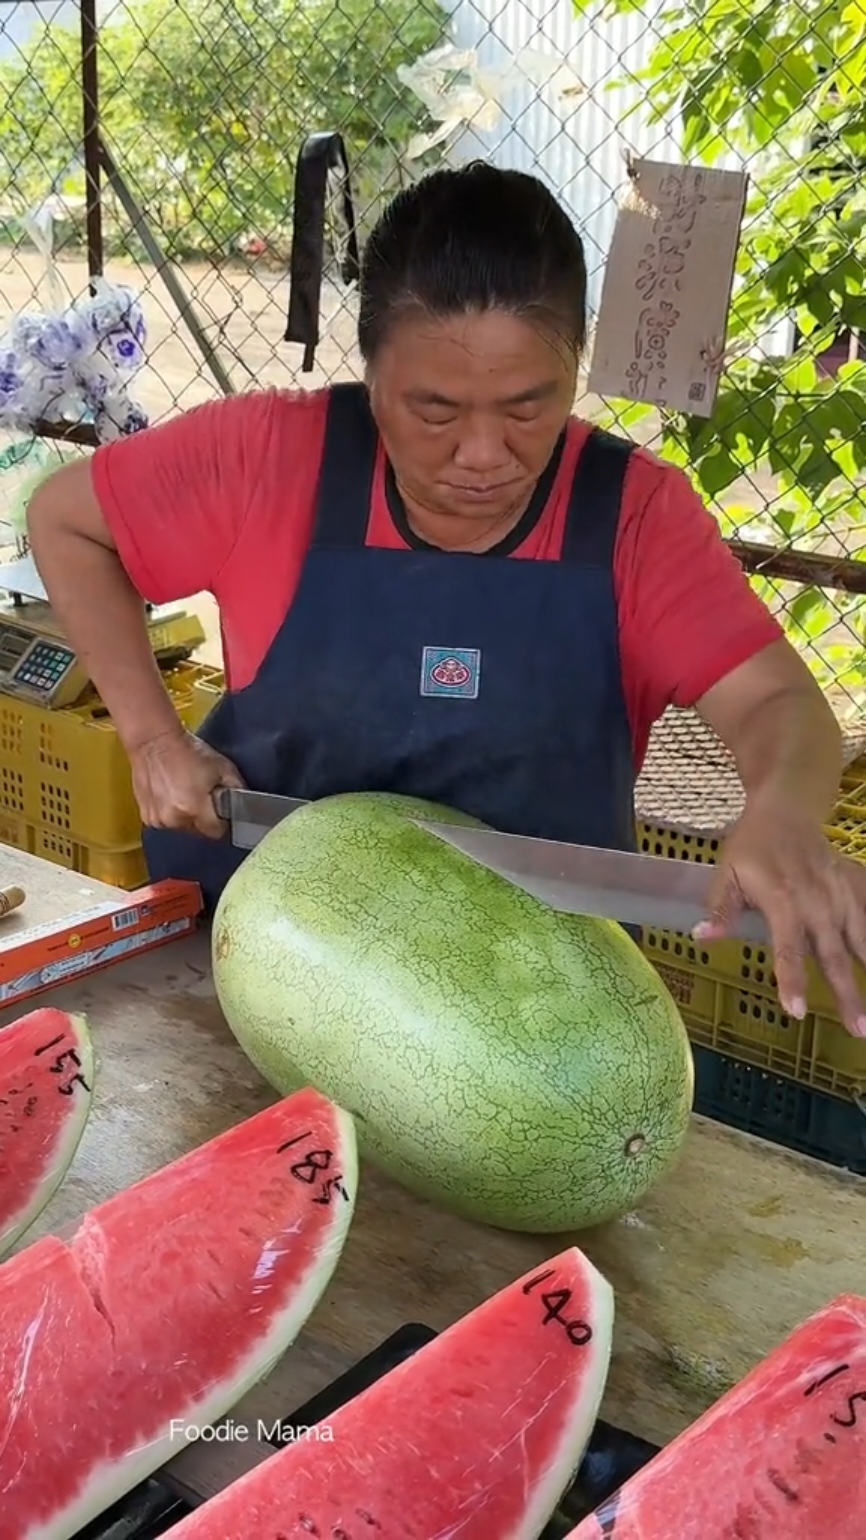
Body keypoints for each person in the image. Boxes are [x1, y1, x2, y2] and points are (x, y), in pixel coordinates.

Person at [27, 162, 866, 1034]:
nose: (482, 454)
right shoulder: (269, 456)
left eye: (527, 407)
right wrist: (153, 740)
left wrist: (782, 812)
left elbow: (774, 699)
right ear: (371, 378)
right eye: (434, 411)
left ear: (573, 366)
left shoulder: (636, 518)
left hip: (529, 1020)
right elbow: (65, 521)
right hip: (247, 966)